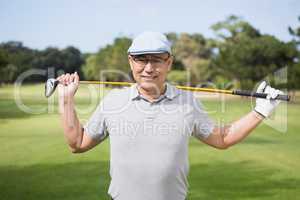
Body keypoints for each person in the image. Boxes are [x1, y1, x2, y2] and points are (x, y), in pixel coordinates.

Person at [57, 31, 283, 200]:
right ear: (130, 61)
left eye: (156, 59)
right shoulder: (113, 102)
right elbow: (77, 143)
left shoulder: (188, 102)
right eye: (141, 59)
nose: (148, 68)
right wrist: (67, 99)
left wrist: (260, 111)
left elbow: (222, 139)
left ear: (169, 63)